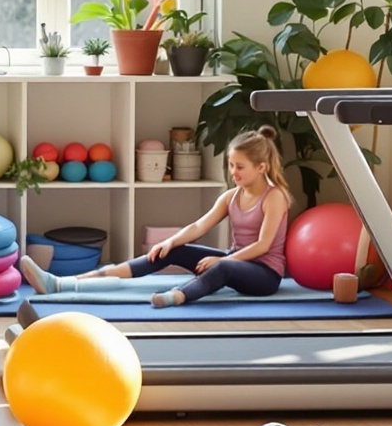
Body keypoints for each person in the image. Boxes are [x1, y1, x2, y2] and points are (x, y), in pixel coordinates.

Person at [20, 127, 293, 307]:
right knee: (167, 252)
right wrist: (170, 243)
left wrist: (221, 260)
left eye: (240, 167)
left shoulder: (275, 196)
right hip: (235, 262)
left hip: (264, 275)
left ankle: (177, 296)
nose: (233, 172)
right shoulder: (231, 196)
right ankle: (61, 283)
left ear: (261, 167)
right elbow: (199, 225)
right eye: (231, 165)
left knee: (220, 266)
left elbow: (262, 246)